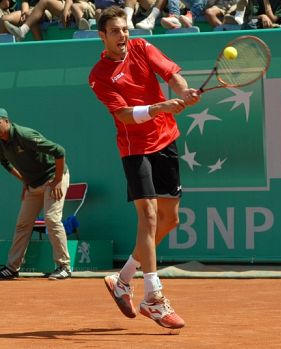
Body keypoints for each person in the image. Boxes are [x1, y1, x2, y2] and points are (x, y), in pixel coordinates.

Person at [89, 6, 200, 329]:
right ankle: (154, 297)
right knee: (149, 217)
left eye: (125, 29)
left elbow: (171, 75)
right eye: (115, 31)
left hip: (166, 140)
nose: (122, 35)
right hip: (134, 149)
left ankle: (122, 279)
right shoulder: (99, 75)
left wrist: (183, 92)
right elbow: (123, 115)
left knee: (170, 219)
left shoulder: (142, 47)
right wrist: (160, 106)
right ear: (102, 36)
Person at [0, 108, 72, 280]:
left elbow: (59, 151)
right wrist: (24, 180)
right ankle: (12, 268)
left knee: (51, 219)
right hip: (33, 184)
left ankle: (64, 266)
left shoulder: (25, 135)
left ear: (5, 121)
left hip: (52, 178)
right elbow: (5, 163)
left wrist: (56, 179)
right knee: (23, 224)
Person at [4, 0, 74, 40]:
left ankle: (40, 47)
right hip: (32, 9)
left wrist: (65, 10)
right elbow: (25, 1)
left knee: (31, 14)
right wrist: (24, 12)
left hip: (49, 9)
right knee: (4, 20)